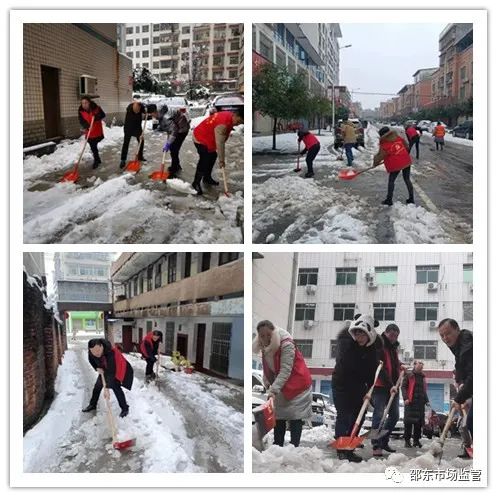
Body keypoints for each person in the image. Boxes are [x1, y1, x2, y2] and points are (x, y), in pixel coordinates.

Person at [252, 320, 312, 448]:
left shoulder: (286, 344)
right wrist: (267, 381)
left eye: (268, 335)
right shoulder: (264, 346)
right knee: (279, 416)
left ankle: (294, 446)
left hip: (298, 383)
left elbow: (286, 369)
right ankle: (277, 445)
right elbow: (267, 366)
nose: (266, 338)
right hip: (281, 384)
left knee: (295, 416)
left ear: (273, 333)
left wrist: (273, 390)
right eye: (262, 336)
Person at [331, 314, 383, 462]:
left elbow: (371, 372)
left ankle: (350, 448)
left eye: (363, 333)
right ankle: (342, 449)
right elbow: (347, 365)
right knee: (345, 415)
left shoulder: (372, 349)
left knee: (357, 418)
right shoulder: (346, 343)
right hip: (342, 384)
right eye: (357, 333)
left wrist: (369, 389)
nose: (359, 336)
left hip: (359, 386)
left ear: (369, 335)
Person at [438, 318, 473, 458]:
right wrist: (460, 380)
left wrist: (459, 398)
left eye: (448, 333)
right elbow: (461, 366)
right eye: (442, 336)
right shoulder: (459, 346)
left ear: (457, 330)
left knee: (473, 421)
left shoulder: (468, 345)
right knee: (469, 421)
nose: (445, 338)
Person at [191, 108, 244, 195]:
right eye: (239, 121)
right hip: (200, 137)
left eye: (241, 123)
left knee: (212, 156)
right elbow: (220, 142)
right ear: (235, 115)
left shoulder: (229, 116)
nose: (238, 124)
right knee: (205, 159)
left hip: (208, 136)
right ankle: (195, 183)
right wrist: (222, 160)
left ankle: (207, 178)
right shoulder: (223, 123)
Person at [370, 323, 402, 457]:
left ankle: (384, 440)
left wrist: (401, 367)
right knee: (378, 414)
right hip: (381, 386)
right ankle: (376, 444)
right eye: (392, 335)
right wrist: (390, 385)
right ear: (386, 333)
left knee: (394, 415)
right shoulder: (380, 345)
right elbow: (381, 369)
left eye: (396, 336)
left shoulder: (394, 348)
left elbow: (394, 366)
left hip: (394, 387)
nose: (394, 338)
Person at [82, 338, 134, 417]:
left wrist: (106, 388)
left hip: (119, 368)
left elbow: (111, 372)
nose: (96, 353)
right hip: (105, 369)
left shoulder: (111, 352)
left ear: (102, 346)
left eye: (98, 350)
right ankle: (92, 405)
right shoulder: (92, 352)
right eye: (93, 352)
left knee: (116, 387)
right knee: (97, 387)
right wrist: (97, 368)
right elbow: (91, 359)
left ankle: (125, 408)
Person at [373, 126, 414, 206]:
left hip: (395, 163)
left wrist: (375, 163)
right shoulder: (398, 138)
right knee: (407, 179)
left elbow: (380, 156)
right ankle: (411, 198)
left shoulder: (384, 143)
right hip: (406, 160)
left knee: (391, 181)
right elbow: (407, 147)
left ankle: (389, 200)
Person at [402, 360, 430, 448]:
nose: (421, 367)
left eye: (422, 366)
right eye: (419, 365)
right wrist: (405, 398)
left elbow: (423, 390)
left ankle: (416, 441)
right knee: (408, 423)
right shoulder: (409, 375)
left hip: (420, 403)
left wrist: (427, 401)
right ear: (414, 365)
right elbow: (403, 387)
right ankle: (407, 441)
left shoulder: (422, 377)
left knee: (418, 423)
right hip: (410, 402)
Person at [158, 105, 191, 177]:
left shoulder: (166, 117)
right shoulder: (166, 115)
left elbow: (174, 131)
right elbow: (170, 128)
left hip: (182, 131)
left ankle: (174, 168)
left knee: (174, 149)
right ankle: (177, 165)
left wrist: (168, 143)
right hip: (179, 128)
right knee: (173, 148)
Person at [78, 96, 106, 169]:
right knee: (93, 146)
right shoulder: (80, 110)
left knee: (94, 145)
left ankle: (97, 160)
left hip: (96, 129)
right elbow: (81, 120)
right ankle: (97, 159)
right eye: (83, 103)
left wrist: (96, 117)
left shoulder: (96, 108)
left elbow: (103, 115)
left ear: (89, 103)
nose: (84, 105)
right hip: (89, 131)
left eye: (86, 103)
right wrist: (86, 126)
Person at [119, 101, 147, 169]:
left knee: (141, 141)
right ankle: (123, 159)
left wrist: (146, 110)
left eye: (138, 110)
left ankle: (140, 156)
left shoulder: (141, 107)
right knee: (126, 143)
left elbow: (145, 110)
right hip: (128, 128)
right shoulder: (129, 108)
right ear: (133, 107)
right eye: (135, 110)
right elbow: (132, 108)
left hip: (137, 128)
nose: (137, 111)